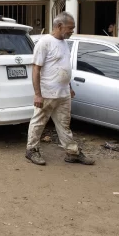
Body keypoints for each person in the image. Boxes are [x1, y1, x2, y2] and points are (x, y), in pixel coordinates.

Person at [26, 11, 94, 166]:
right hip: (47, 92)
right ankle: (31, 150)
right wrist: (38, 94)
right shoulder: (45, 43)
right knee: (39, 122)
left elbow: (64, 66)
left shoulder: (63, 42)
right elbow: (36, 69)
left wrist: (68, 86)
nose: (72, 31)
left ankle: (72, 153)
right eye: (70, 28)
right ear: (59, 26)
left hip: (63, 93)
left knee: (64, 123)